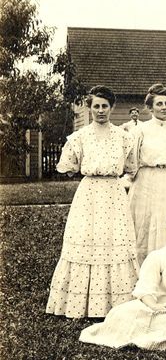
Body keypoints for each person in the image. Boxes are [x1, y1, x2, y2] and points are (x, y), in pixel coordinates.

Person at [46, 86, 139, 318]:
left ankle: (116, 303)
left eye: (104, 106)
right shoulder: (80, 137)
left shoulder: (124, 137)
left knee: (114, 239)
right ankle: (81, 304)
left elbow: (131, 168)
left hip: (114, 193)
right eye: (96, 106)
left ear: (112, 108)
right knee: (87, 238)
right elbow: (68, 167)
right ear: (89, 108)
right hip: (89, 194)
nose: (100, 110)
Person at [79, 208, 166, 350]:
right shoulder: (157, 256)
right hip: (162, 303)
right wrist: (155, 306)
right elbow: (145, 288)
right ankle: (157, 330)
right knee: (121, 312)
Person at [128, 84, 166, 265]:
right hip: (146, 180)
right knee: (145, 223)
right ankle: (142, 266)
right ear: (150, 108)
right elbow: (132, 159)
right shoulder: (141, 130)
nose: (164, 107)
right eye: (159, 104)